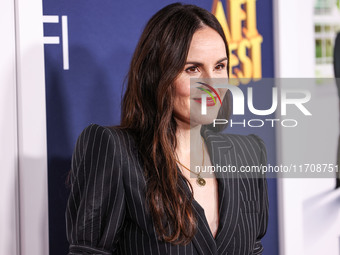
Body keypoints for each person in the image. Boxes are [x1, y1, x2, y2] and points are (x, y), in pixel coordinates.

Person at [65, 3, 269, 255]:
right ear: (156, 76)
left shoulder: (247, 155)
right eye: (192, 69)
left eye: (219, 66)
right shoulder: (115, 151)